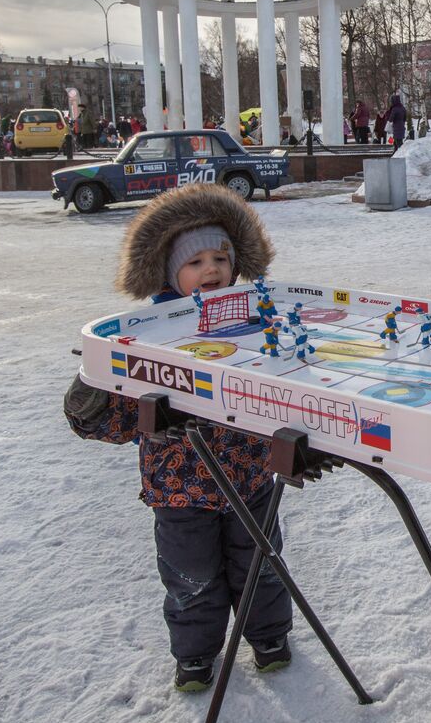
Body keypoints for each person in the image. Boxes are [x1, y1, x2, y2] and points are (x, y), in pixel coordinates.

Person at [63, 183, 293, 692]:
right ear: (170, 272)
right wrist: (95, 395)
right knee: (191, 578)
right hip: (179, 488)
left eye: (220, 257)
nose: (211, 269)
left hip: (252, 475)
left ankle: (270, 637)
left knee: (261, 564)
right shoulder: (147, 334)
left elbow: (292, 380)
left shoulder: (259, 319)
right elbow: (117, 417)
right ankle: (194, 656)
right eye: (195, 262)